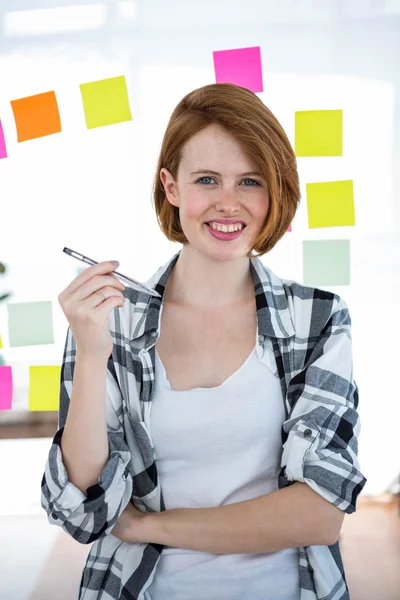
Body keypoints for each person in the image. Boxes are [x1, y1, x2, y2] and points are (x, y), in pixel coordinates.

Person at [40, 82, 367, 600]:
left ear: (275, 190)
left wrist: (150, 526)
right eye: (207, 179)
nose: (228, 204)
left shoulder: (318, 320)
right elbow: (82, 509)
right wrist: (91, 352)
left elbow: (320, 515)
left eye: (251, 181)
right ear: (171, 187)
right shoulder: (110, 323)